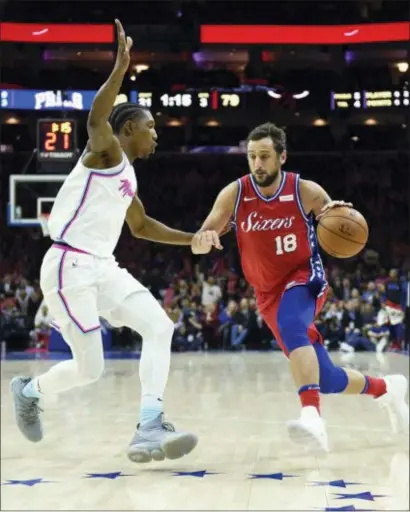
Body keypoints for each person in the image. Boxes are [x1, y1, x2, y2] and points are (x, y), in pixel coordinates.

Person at [10, 20, 221, 464]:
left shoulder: (126, 173)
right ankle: (29, 391)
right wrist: (121, 67)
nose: (156, 133)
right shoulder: (105, 152)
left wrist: (193, 240)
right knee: (90, 369)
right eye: (150, 127)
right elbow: (95, 119)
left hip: (103, 266)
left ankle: (149, 425)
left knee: (160, 326)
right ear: (128, 130)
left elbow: (141, 226)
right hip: (68, 266)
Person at [194, 122, 409, 452]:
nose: (258, 163)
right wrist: (205, 238)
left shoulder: (304, 190)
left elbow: (334, 216)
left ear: (282, 157)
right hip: (266, 294)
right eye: (252, 156)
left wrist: (337, 214)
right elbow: (200, 240)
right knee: (326, 379)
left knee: (293, 324)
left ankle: (312, 417)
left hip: (303, 277)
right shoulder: (234, 193)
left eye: (265, 156)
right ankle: (386, 388)